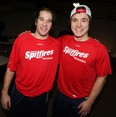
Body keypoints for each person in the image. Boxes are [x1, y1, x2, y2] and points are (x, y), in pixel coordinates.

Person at [52, 2, 112, 117]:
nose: (79, 24)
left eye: (84, 20)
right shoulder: (63, 40)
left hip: (81, 100)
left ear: (89, 23)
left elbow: (102, 77)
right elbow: (45, 42)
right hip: (60, 95)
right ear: (70, 23)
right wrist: (28, 35)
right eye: (75, 20)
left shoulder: (100, 49)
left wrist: (90, 101)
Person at [1, 7, 60, 117]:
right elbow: (11, 67)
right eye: (41, 19)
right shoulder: (21, 40)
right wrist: (4, 92)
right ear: (36, 21)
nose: (45, 24)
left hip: (41, 96)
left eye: (49, 21)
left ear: (52, 25)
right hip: (19, 93)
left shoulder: (56, 45)